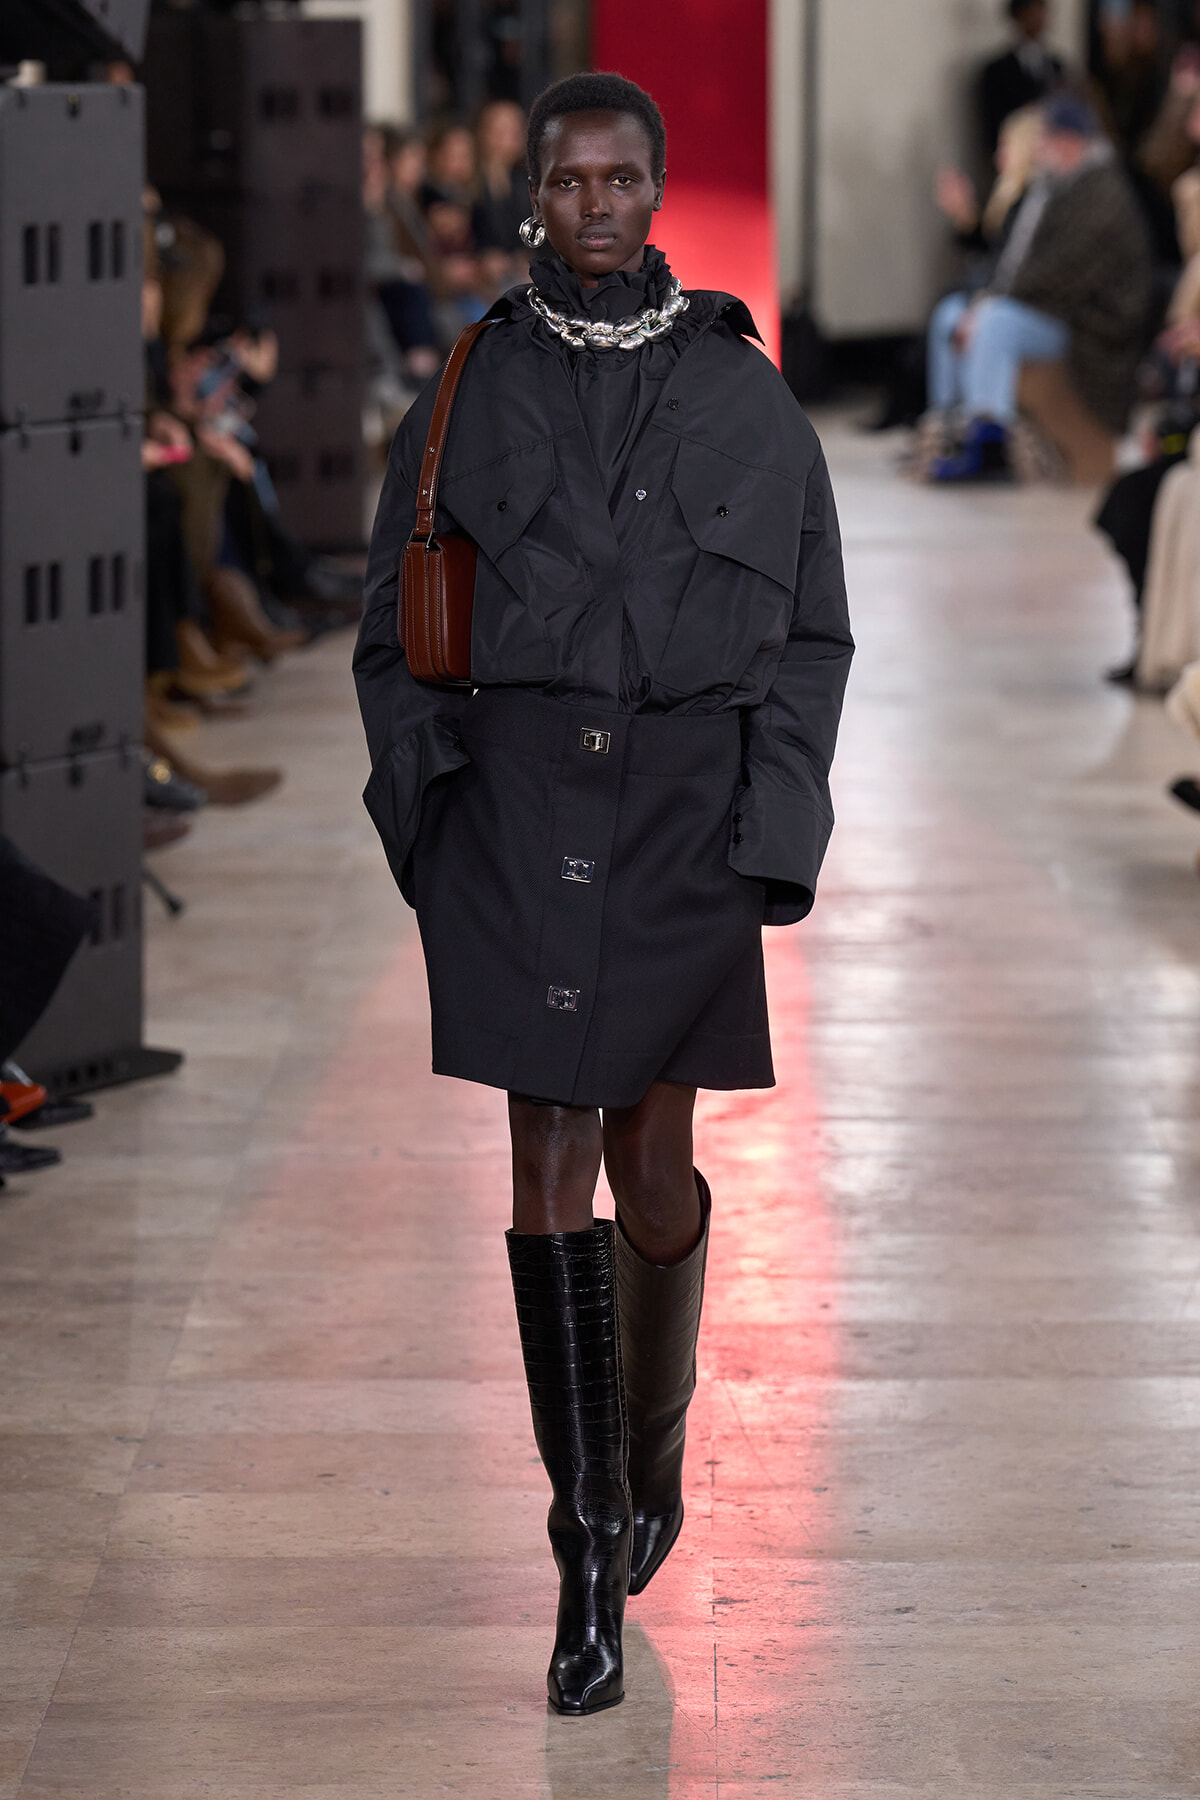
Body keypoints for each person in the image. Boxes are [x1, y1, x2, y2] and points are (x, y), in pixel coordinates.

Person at [354, 71, 853, 1716]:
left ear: (655, 188)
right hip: (516, 811)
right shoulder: (472, 382)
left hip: (685, 821)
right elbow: (389, 621)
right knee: (546, 1158)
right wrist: (431, 823)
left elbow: (812, 634)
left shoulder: (742, 397)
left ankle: (650, 1448)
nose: (593, 207)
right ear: (534, 194)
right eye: (567, 181)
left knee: (651, 1162)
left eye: (619, 180)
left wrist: (774, 831)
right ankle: (582, 1558)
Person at [925, 95, 1150, 481]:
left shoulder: (1100, 193)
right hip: (1054, 310)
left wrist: (987, 306)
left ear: (1068, 140)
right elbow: (1012, 264)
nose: (1039, 148)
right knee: (952, 314)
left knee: (995, 324)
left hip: (1093, 328)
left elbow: (1058, 274)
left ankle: (990, 442)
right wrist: (981, 303)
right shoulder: (1058, 186)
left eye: (1045, 138)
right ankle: (949, 429)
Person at [979, 0, 1065, 157]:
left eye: (1042, 12)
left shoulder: (1056, 66)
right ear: (1018, 17)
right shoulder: (997, 70)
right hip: (1016, 154)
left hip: (1053, 157)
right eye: (1032, 12)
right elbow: (993, 122)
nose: (1039, 18)